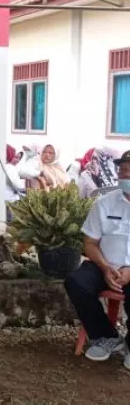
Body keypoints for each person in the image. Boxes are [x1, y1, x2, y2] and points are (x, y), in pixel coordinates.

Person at [63, 150, 130, 367]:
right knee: (76, 282)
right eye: (123, 171)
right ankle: (105, 336)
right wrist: (105, 267)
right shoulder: (104, 203)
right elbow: (90, 243)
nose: (126, 176)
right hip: (104, 264)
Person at [4, 145, 25, 222]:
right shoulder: (10, 167)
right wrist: (25, 189)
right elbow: (18, 185)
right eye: (15, 157)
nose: (17, 160)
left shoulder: (1, 166)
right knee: (11, 222)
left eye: (19, 158)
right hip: (10, 200)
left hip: (2, 199)